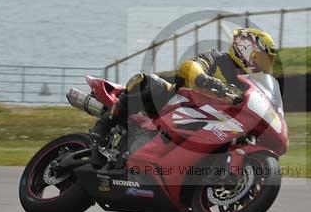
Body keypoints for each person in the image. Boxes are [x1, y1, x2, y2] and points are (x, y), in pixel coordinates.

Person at [88, 27, 278, 167]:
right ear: (245, 49)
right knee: (149, 82)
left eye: (266, 61)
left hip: (212, 119)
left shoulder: (247, 83)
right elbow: (190, 66)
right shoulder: (217, 59)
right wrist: (204, 79)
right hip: (175, 103)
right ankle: (102, 130)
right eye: (261, 58)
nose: (263, 65)